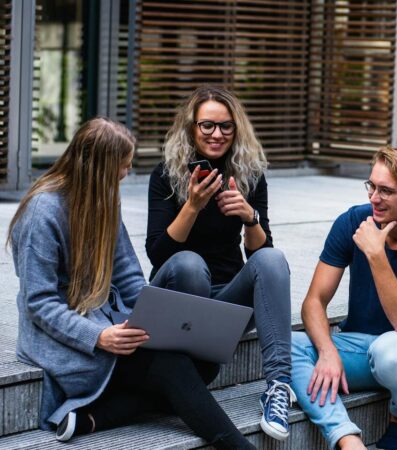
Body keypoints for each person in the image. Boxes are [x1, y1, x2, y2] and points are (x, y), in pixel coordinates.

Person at [8, 118, 255, 449]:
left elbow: (128, 276)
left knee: (204, 363)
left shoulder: (105, 199)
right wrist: (98, 336)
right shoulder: (43, 212)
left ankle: (95, 417)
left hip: (111, 324)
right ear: (98, 167)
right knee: (174, 368)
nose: (125, 174)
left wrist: (153, 319)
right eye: (122, 167)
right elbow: (39, 303)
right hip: (65, 337)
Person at [146, 85, 294, 440]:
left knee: (273, 259)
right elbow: (158, 254)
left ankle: (278, 387)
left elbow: (261, 258)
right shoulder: (166, 175)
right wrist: (192, 205)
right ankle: (186, 374)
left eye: (226, 126)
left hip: (225, 302)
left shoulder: (250, 174)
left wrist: (250, 217)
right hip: (178, 295)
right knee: (189, 264)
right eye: (207, 125)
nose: (216, 134)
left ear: (237, 129)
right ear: (191, 128)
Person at [290, 146, 397, 450]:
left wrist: (375, 254)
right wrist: (328, 351)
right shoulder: (353, 220)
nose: (373, 198)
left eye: (386, 190)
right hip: (357, 343)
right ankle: (346, 437)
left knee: (391, 351)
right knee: (285, 345)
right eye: (371, 186)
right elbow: (314, 301)